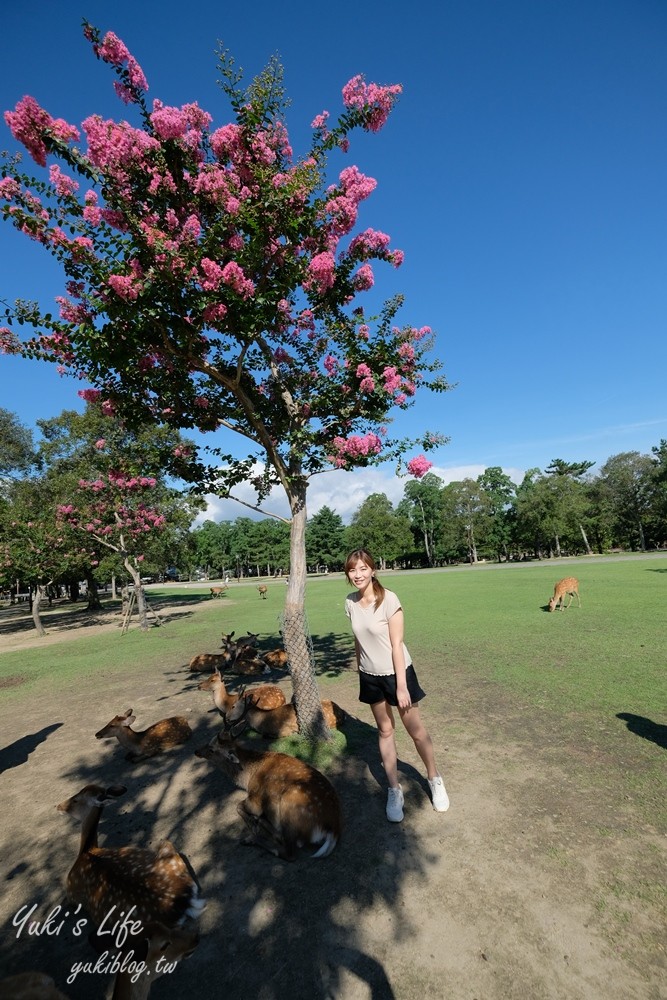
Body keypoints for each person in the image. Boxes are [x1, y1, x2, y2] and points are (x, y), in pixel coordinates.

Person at [344, 549, 449, 822]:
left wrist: (401, 686)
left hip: (397, 673)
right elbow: (359, 640)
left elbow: (396, 644)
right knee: (385, 730)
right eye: (353, 570)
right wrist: (360, 668)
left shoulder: (389, 599)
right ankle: (394, 789)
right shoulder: (350, 602)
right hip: (370, 675)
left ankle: (434, 779)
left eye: (363, 568)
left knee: (416, 732)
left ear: (373, 570)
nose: (358, 574)